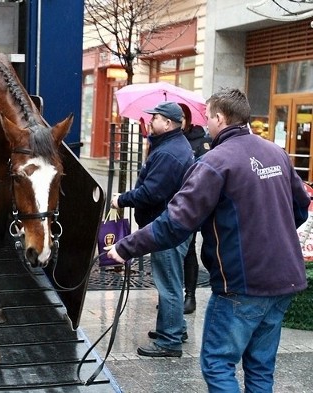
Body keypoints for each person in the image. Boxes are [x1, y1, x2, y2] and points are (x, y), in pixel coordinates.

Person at [107, 88, 309, 391]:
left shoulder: (215, 162)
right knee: (260, 367)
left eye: (209, 117)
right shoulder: (275, 152)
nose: (207, 124)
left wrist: (124, 248)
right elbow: (299, 209)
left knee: (217, 364)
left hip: (242, 284)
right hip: (285, 280)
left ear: (219, 117)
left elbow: (174, 224)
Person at [110, 101, 194, 357]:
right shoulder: (172, 146)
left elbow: (152, 192)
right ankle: (175, 328)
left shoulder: (169, 153)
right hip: (171, 225)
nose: (149, 121)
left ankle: (170, 341)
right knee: (172, 280)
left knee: (168, 283)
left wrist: (123, 198)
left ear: (168, 123)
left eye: (154, 117)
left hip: (167, 228)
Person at [178, 103, 212, 314]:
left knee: (189, 249)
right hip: (171, 201)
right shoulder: (168, 139)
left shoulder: (202, 141)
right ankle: (172, 295)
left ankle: (190, 295)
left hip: (192, 202)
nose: (179, 121)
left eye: (183, 117)